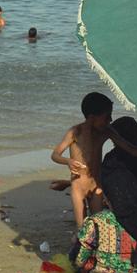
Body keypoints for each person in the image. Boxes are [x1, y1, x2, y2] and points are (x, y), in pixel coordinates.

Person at [50, 92, 113, 226]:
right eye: (107, 117)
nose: (110, 120)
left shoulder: (105, 132)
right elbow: (55, 154)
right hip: (78, 186)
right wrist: (68, 161)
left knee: (98, 226)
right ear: (91, 117)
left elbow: (130, 148)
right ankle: (79, 242)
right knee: (82, 228)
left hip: (96, 185)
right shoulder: (75, 132)